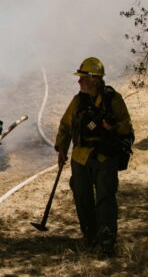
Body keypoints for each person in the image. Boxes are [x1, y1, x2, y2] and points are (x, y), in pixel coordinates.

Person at [54, 57, 133, 257]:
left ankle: (107, 239)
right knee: (82, 196)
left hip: (105, 157)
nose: (79, 82)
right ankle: (90, 235)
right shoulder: (78, 101)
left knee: (105, 197)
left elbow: (127, 126)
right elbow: (65, 126)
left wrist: (113, 126)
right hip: (80, 157)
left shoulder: (113, 100)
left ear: (95, 79)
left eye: (83, 78)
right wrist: (62, 148)